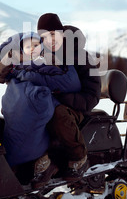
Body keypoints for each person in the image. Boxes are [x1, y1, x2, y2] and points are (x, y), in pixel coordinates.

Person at [0, 31, 81, 189]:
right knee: (12, 126)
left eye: (36, 45)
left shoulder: (49, 61)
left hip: (37, 104)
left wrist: (29, 76)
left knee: (31, 124)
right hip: (17, 104)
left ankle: (42, 161)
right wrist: (8, 61)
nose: (32, 48)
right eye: (28, 46)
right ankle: (17, 165)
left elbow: (65, 80)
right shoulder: (17, 62)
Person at [35, 13, 101, 185]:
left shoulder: (82, 57)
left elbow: (93, 95)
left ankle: (79, 158)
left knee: (58, 113)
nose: (49, 40)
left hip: (77, 108)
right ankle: (37, 160)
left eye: (52, 34)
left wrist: (63, 96)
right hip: (51, 103)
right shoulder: (41, 58)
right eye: (44, 36)